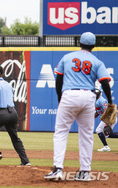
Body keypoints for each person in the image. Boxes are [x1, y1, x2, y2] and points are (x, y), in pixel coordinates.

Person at [44, 32, 113, 182]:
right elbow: (105, 83)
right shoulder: (96, 61)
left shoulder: (67, 57)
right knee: (87, 135)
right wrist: (111, 102)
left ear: (79, 43)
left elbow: (59, 80)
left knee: (61, 132)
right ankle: (85, 171)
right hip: (89, 96)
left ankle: (58, 169)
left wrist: (60, 99)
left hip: (69, 94)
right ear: (93, 46)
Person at [0, 65, 31, 165]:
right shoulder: (8, 84)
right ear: (3, 73)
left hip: (2, 113)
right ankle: (25, 161)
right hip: (13, 112)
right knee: (15, 138)